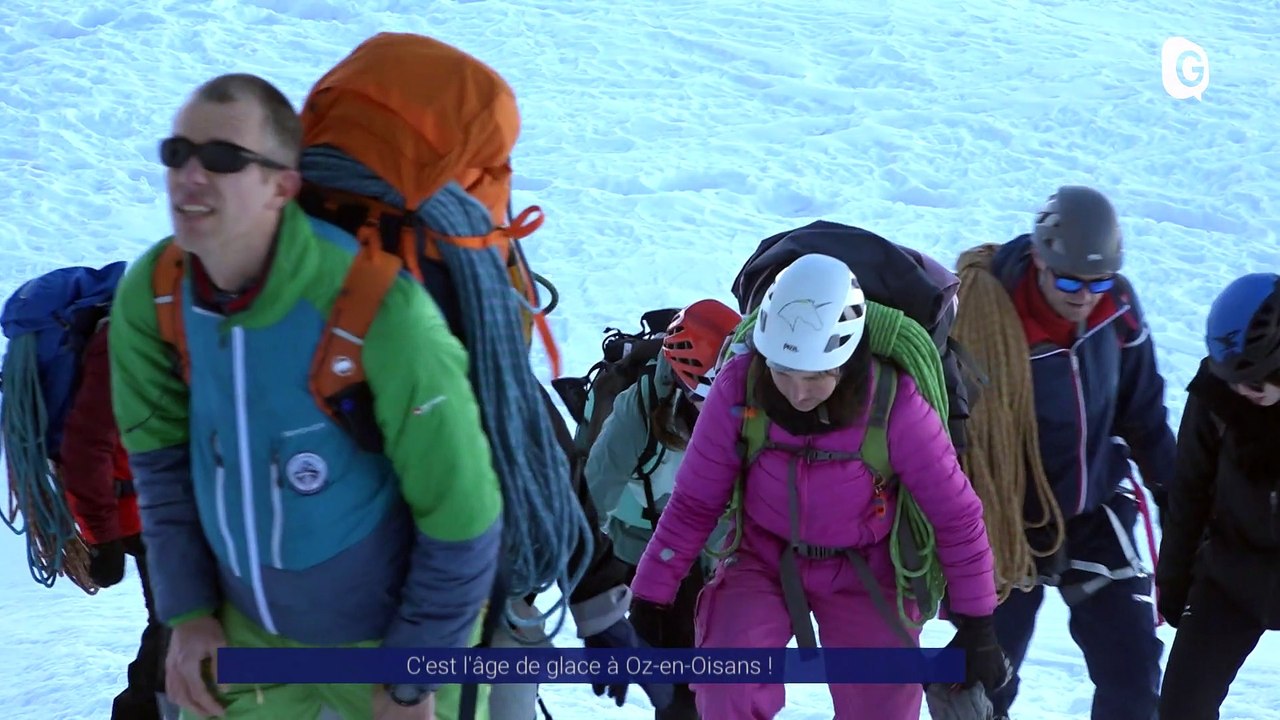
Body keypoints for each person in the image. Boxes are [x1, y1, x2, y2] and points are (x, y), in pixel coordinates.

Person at [108, 72, 503, 720]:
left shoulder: (381, 309)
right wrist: (188, 614)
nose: (191, 176)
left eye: (224, 158)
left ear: (281, 185)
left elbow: (462, 515)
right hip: (246, 645)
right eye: (177, 153)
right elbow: (163, 476)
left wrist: (412, 677)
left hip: (394, 645)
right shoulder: (151, 296)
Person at [627, 254, 1008, 719]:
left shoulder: (895, 405)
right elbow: (694, 501)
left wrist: (977, 622)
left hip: (865, 568)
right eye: (783, 373)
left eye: (815, 377)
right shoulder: (739, 386)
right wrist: (651, 595)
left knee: (882, 707)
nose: (797, 393)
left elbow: (957, 515)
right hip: (762, 557)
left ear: (846, 363)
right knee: (727, 686)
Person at [960, 186, 1176, 720]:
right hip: (1007, 523)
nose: (1084, 296)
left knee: (1134, 673)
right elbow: (949, 430)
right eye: (1069, 281)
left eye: (1098, 281)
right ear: (1039, 257)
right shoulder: (985, 319)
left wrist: (1178, 502)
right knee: (981, 683)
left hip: (1095, 507)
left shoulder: (1116, 310)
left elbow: (1143, 413)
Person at [584, 298, 742, 720]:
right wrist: (595, 596)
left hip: (717, 550)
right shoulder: (636, 411)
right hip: (641, 547)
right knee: (679, 686)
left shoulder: (751, 399)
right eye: (708, 396)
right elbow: (590, 500)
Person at [1157, 272, 1280, 719]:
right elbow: (1188, 490)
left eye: (1251, 384)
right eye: (1228, 380)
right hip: (1232, 573)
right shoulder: (1218, 396)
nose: (1238, 394)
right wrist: (1172, 584)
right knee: (1179, 709)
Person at [60, 317, 177, 720]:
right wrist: (102, 536)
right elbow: (87, 446)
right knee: (178, 624)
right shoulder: (137, 326)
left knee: (177, 625)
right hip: (152, 516)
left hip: (175, 511)